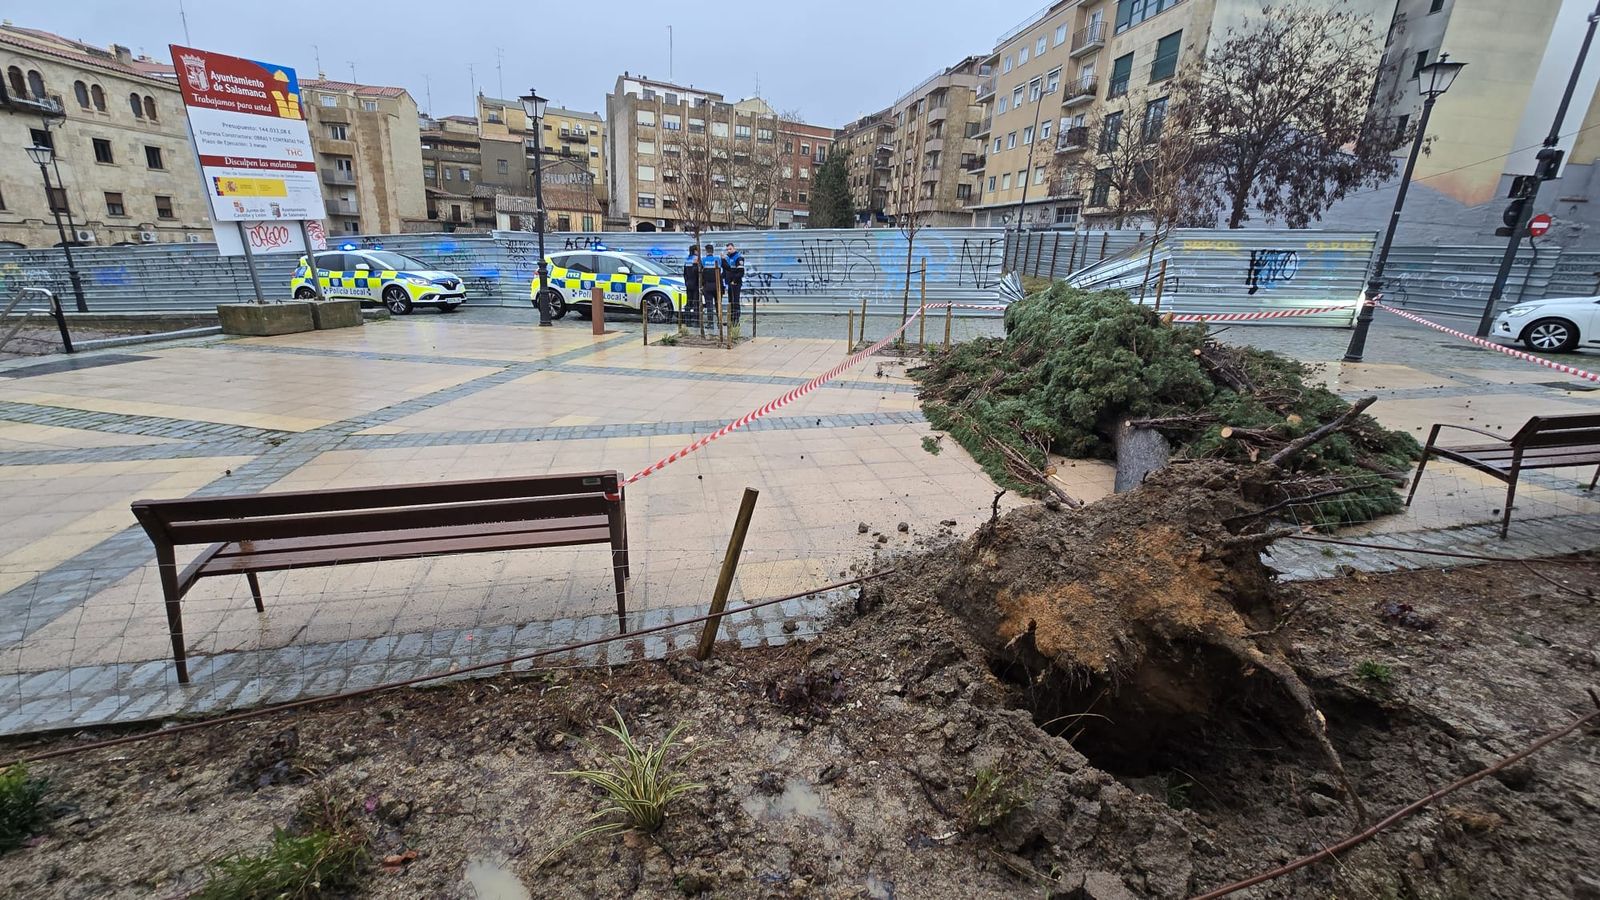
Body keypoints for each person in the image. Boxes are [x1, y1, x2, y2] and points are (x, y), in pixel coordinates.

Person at [720, 241, 745, 324]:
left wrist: (734, 280)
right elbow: (726, 270)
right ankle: (731, 319)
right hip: (729, 283)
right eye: (727, 249)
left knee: (735, 301)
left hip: (736, 283)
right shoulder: (728, 257)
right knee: (730, 301)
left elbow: (741, 272)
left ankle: (736, 320)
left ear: (734, 248)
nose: (729, 251)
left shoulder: (738, 258)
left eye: (730, 249)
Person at [699, 242, 722, 327]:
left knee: (709, 305)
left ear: (706, 251)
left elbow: (700, 274)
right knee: (718, 304)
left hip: (707, 286)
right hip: (718, 286)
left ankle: (710, 323)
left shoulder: (703, 260)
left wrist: (701, 286)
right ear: (713, 251)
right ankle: (719, 322)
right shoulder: (718, 259)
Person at [682, 244, 701, 325]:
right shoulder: (696, 259)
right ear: (695, 251)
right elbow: (697, 272)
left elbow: (684, 273)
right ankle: (696, 321)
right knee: (696, 302)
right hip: (696, 284)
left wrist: (686, 282)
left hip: (688, 283)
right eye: (698, 250)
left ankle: (687, 321)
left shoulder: (687, 259)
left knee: (688, 302)